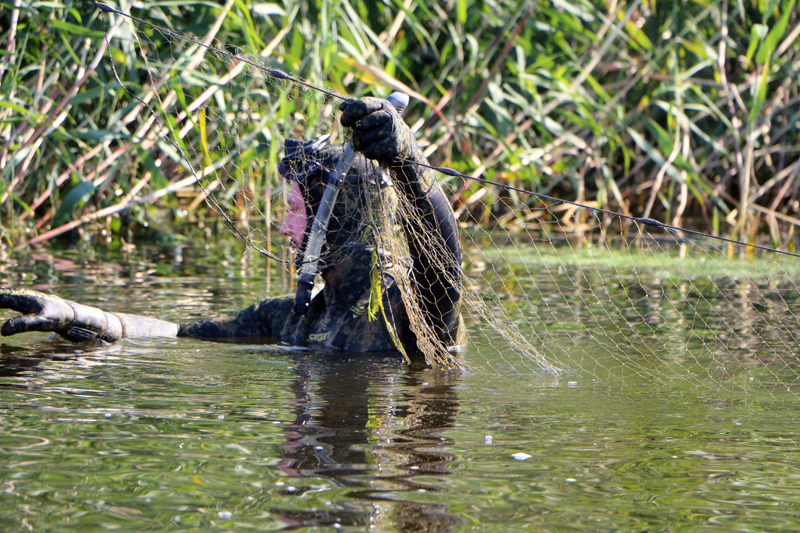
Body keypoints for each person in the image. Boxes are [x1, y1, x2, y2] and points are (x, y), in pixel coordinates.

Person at [0, 97, 464, 360]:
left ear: (336, 218)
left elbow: (444, 265)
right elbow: (178, 334)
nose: (284, 228)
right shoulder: (296, 317)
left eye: (296, 210)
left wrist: (408, 162)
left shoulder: (408, 310)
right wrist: (80, 316)